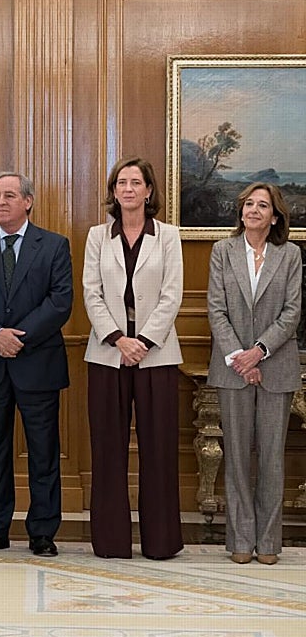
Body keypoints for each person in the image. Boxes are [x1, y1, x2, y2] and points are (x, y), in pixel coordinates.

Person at [0, 171, 72, 557]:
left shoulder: (54, 245)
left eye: (9, 195)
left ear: (28, 201)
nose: (1, 202)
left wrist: (17, 337)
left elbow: (60, 302)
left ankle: (42, 531)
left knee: (43, 451)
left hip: (37, 363)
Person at [82, 158, 184, 560]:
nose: (127, 188)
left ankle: (160, 543)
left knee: (159, 448)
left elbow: (172, 294)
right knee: (108, 448)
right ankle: (110, 542)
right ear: (114, 191)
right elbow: (91, 292)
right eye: (120, 182)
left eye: (135, 182)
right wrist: (119, 340)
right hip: (107, 353)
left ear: (148, 191)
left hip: (156, 355)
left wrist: (141, 341)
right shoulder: (97, 236)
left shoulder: (168, 236)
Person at [207, 182, 302, 566]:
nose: (253, 210)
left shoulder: (290, 254)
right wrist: (239, 359)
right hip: (233, 371)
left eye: (262, 205)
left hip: (276, 367)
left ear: (275, 215)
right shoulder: (222, 252)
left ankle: (268, 543)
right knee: (238, 461)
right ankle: (240, 541)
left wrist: (259, 353)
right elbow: (216, 309)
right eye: (249, 204)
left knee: (271, 459)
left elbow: (292, 312)